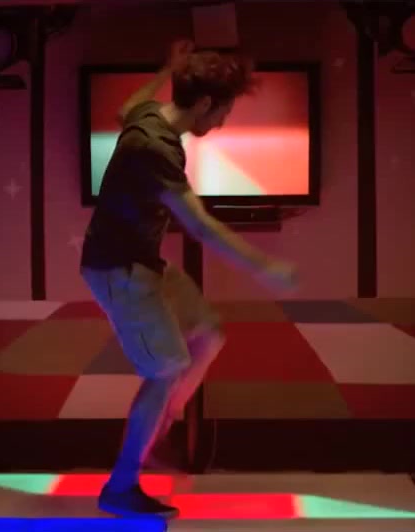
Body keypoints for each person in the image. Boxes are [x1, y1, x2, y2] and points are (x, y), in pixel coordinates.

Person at [79, 40, 298, 519]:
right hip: (118, 270)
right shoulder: (155, 147)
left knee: (209, 333)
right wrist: (264, 267)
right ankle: (121, 487)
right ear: (204, 104)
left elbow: (125, 107)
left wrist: (166, 67)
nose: (220, 123)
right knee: (164, 370)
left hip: (144, 262)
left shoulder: (149, 116)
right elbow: (199, 226)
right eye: (222, 112)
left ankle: (161, 418)